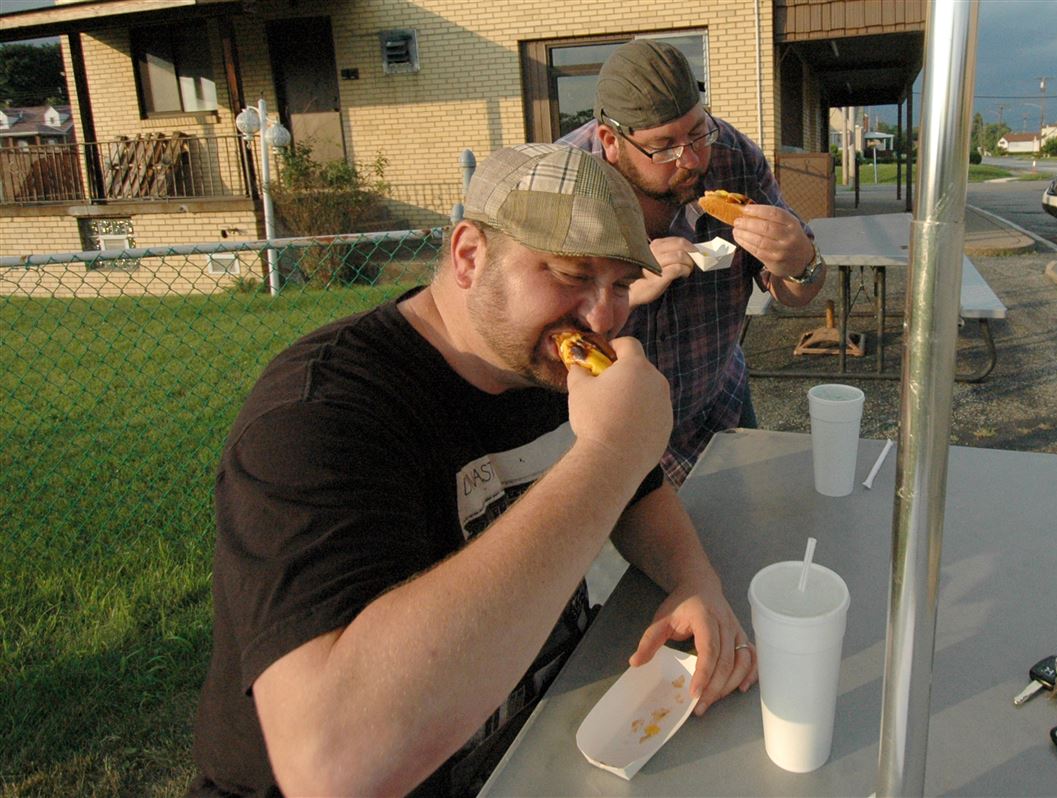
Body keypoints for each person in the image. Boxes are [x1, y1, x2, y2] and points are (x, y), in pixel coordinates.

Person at [188, 143, 757, 798]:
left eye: (622, 285)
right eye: (572, 274)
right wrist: (610, 454)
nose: (602, 317)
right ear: (468, 256)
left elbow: (639, 495)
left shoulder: (543, 359)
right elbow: (334, 765)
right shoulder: (319, 417)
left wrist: (694, 580)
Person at [559, 39, 828, 486]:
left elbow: (800, 291)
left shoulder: (734, 159)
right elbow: (529, 335)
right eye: (663, 147)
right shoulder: (564, 187)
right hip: (608, 435)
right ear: (610, 141)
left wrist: (801, 262)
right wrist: (621, 291)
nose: (690, 160)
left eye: (697, 132)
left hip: (718, 408)